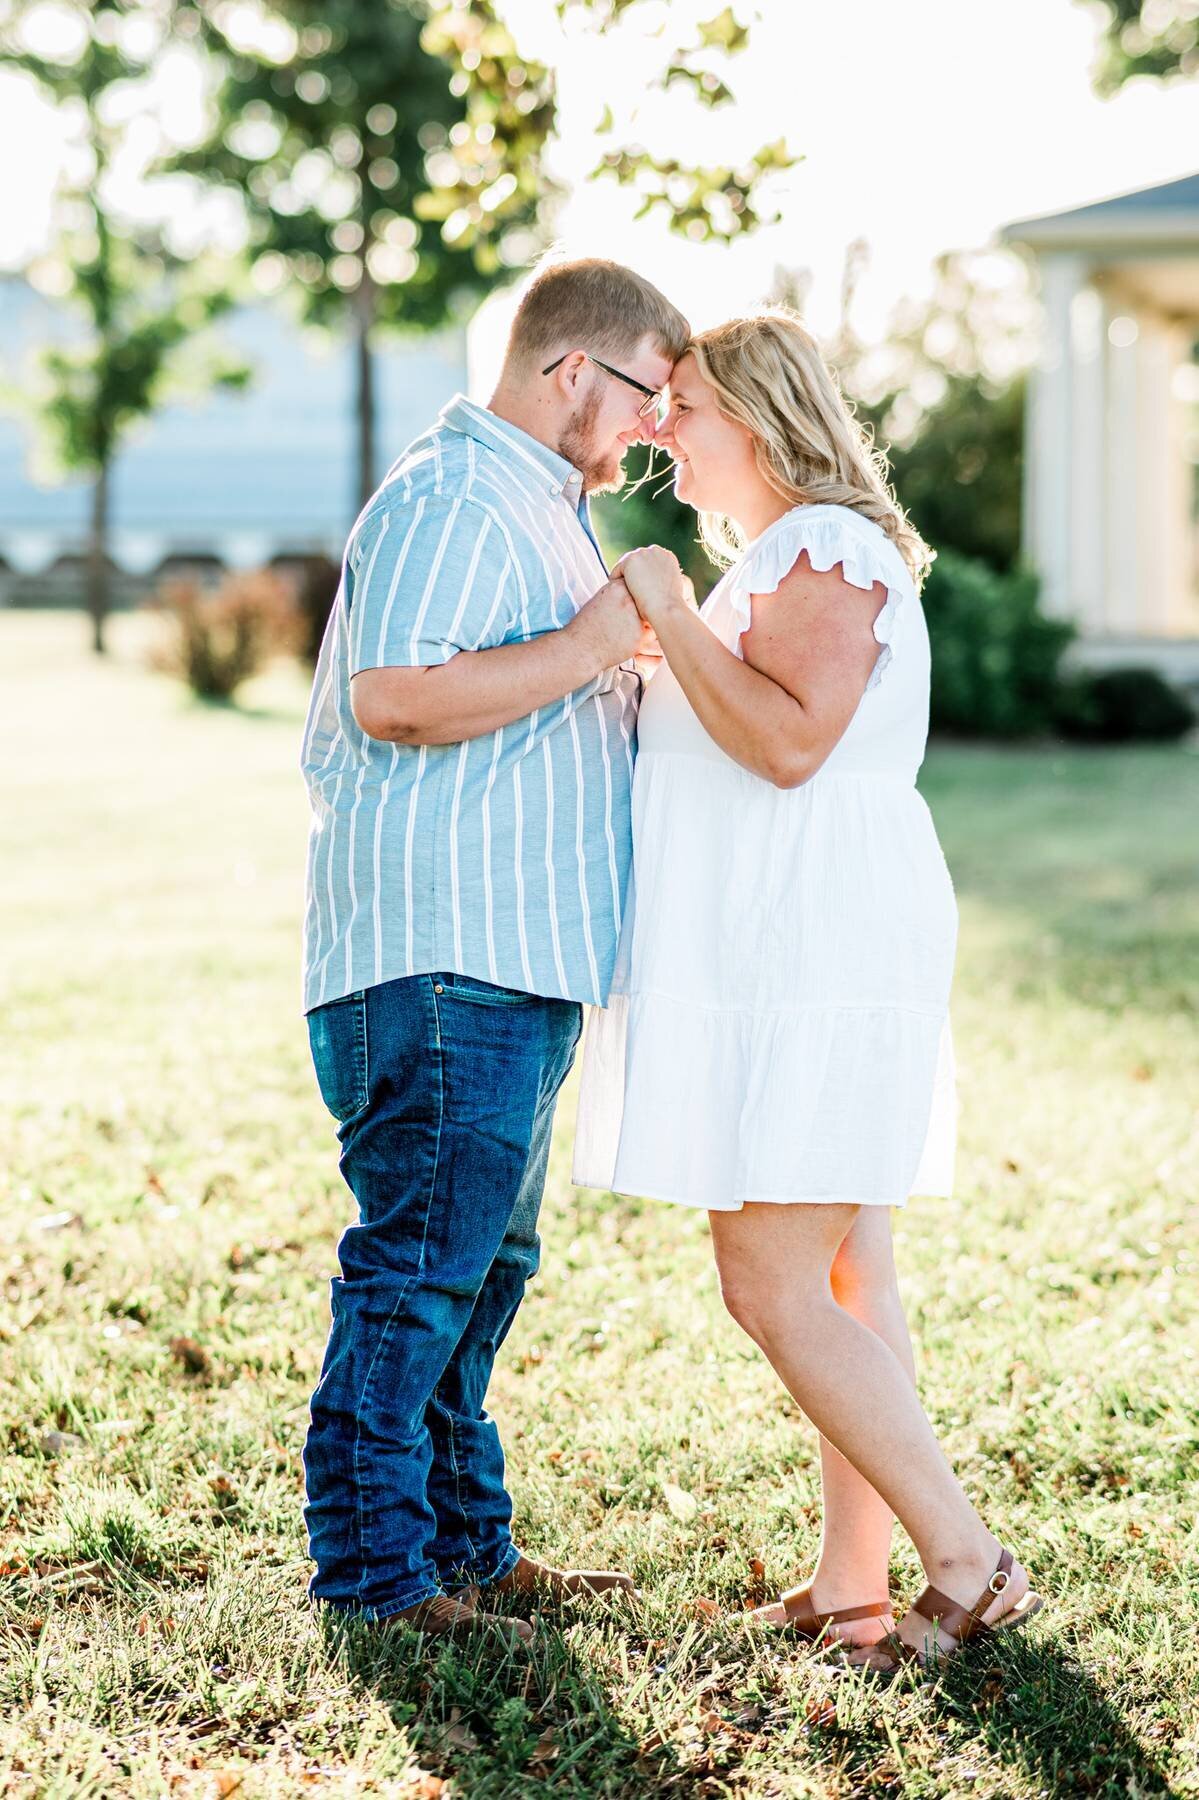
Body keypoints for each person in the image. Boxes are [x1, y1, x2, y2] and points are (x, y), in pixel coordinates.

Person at [573, 310, 1044, 1673]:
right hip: (789, 945)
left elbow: (790, 745)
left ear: (768, 422)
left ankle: (965, 1556)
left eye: (688, 407)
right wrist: (671, 646)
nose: (661, 428)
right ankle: (853, 1582)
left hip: (820, 954)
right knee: (848, 1266)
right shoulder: (780, 561)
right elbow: (746, 718)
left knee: (771, 1278)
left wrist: (659, 603)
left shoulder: (825, 544)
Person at [299, 257, 689, 1643]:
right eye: (648, 387)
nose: (657, 424)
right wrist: (594, 644)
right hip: (443, 956)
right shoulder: (455, 494)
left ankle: (470, 1546)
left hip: (512, 960)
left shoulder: (538, 506)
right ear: (572, 370)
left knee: (479, 1271)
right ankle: (376, 1578)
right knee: (419, 1271)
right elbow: (395, 696)